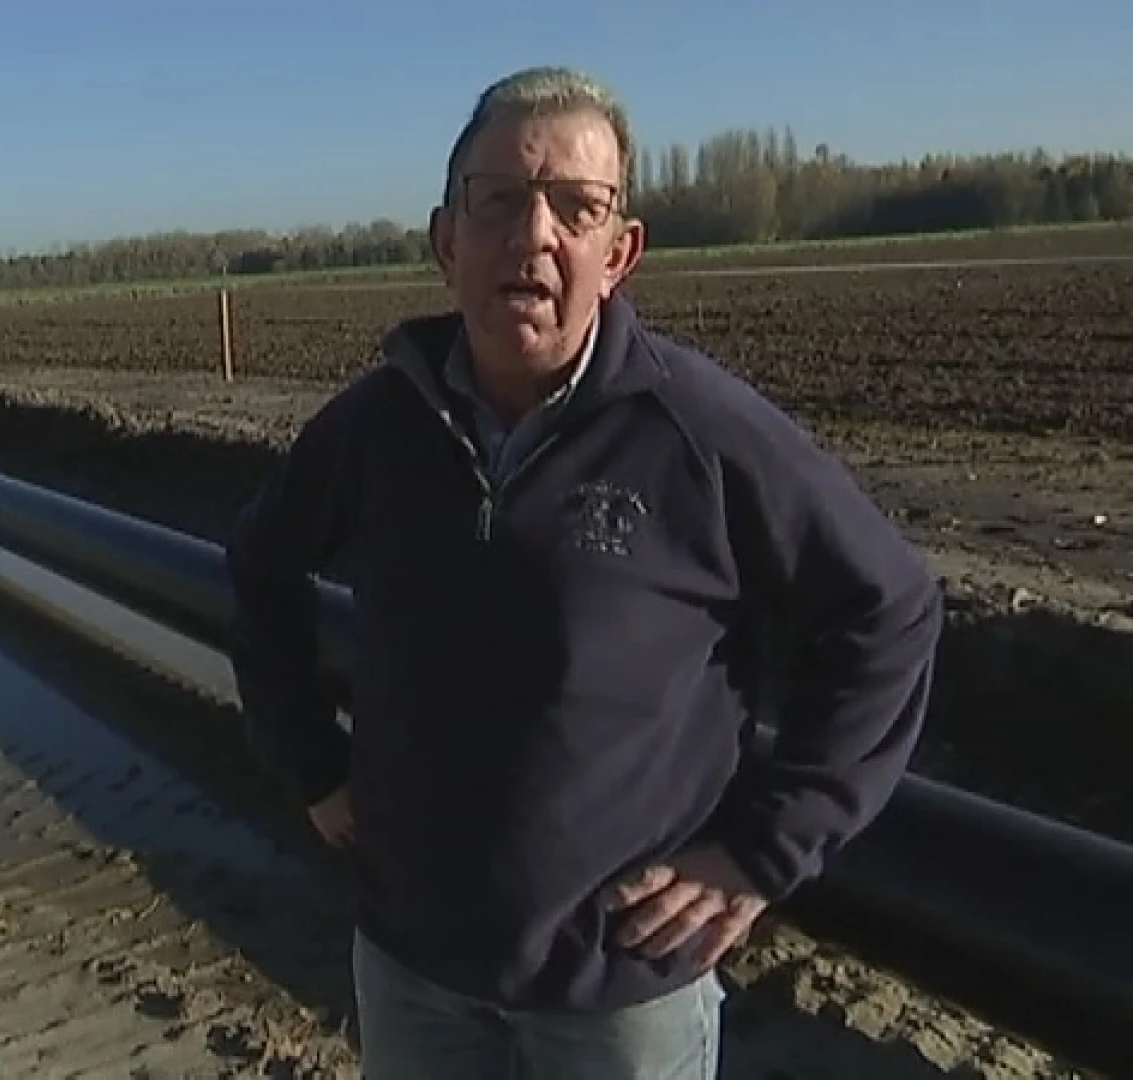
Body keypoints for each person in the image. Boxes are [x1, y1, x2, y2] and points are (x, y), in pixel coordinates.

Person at [224, 66, 943, 1079]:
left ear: (620, 252)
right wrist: (308, 759)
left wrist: (761, 850)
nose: (535, 235)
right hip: (411, 973)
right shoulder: (375, 427)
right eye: (501, 202)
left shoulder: (698, 432)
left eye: (577, 206)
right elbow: (260, 561)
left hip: (619, 1000)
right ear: (445, 241)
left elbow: (892, 610)